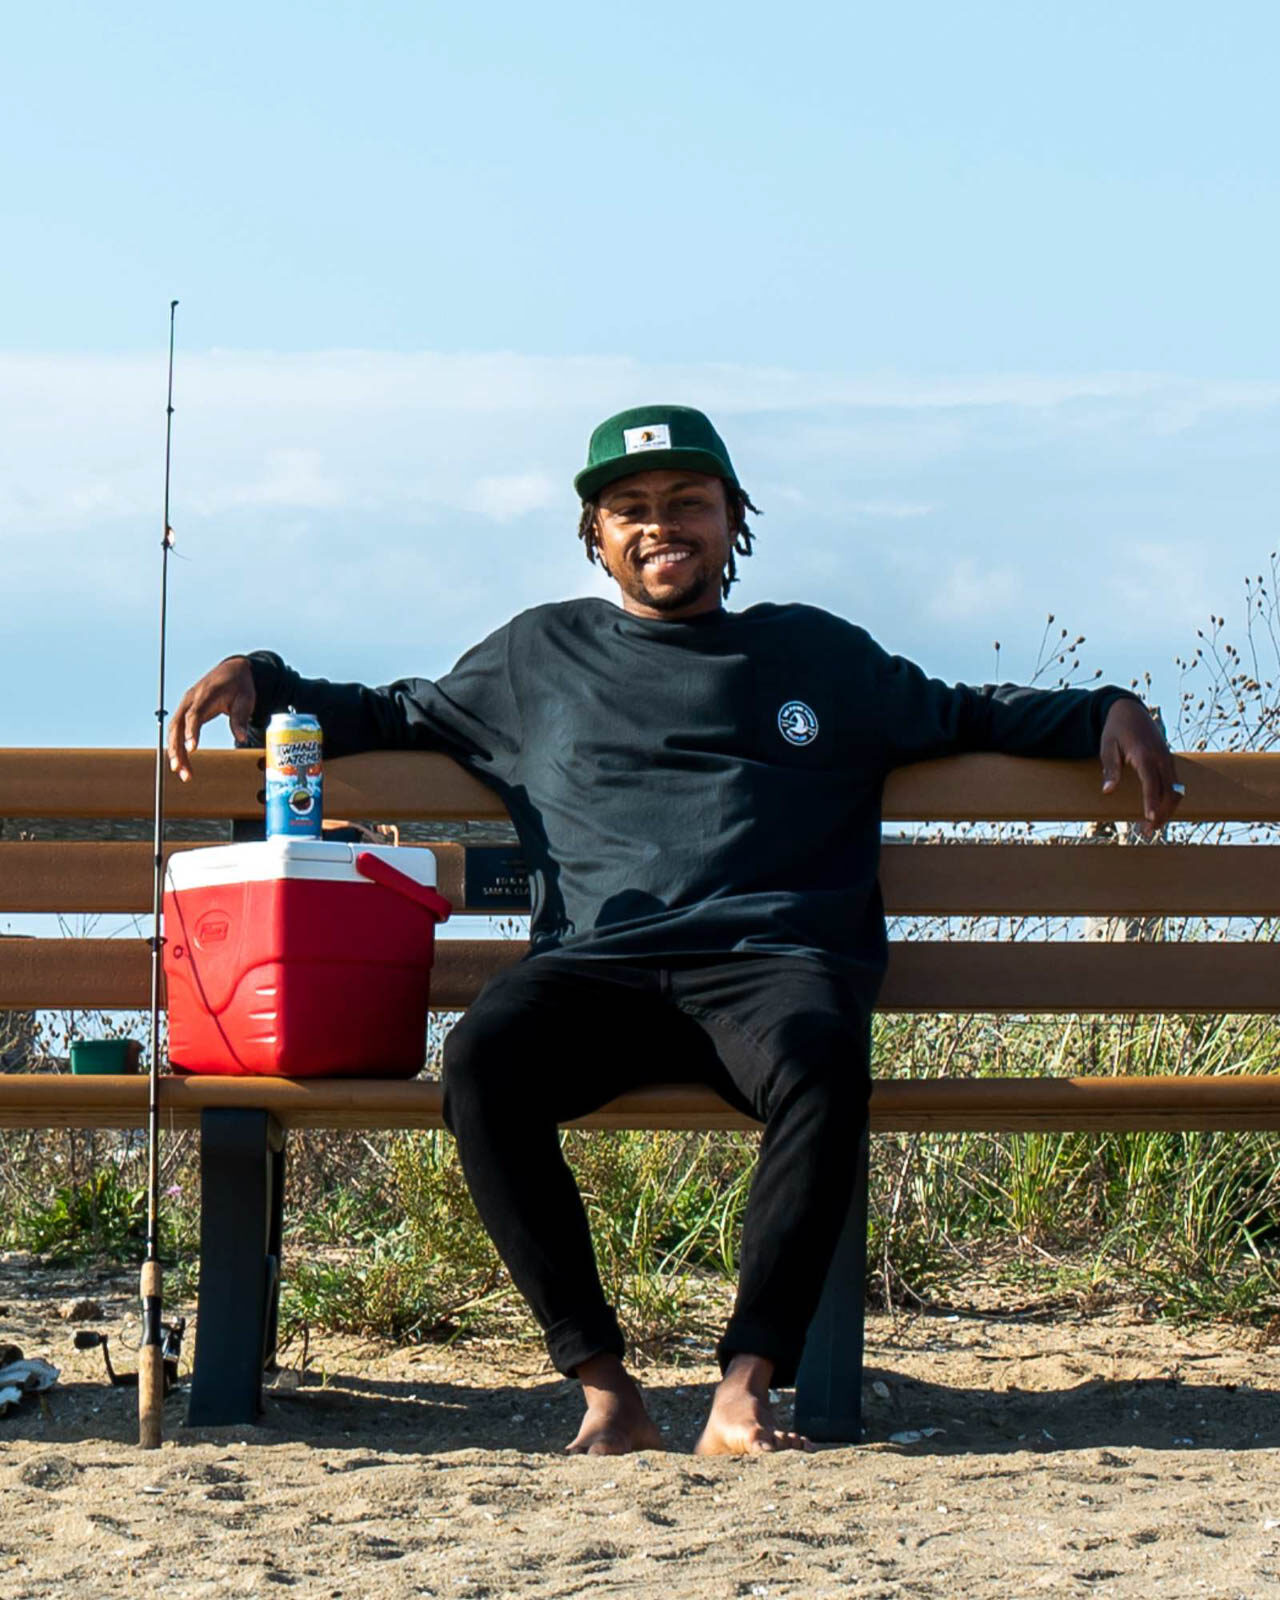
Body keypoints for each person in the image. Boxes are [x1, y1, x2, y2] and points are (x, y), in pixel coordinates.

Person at [168, 404, 1180, 1457]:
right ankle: (605, 1388)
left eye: (688, 502)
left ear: (733, 518)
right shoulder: (535, 656)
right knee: (482, 1060)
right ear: (595, 536)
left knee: (823, 1061)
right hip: (595, 974)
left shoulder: (819, 655)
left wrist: (1105, 709)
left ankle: (744, 1391)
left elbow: (972, 712)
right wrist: (260, 679)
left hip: (768, 969)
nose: (662, 526)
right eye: (631, 509)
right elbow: (385, 711)